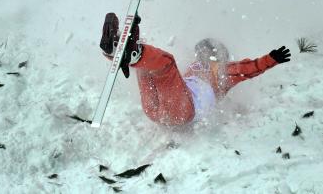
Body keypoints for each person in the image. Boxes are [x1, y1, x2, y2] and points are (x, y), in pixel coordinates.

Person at [100, 13, 291, 126]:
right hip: (158, 110)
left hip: (183, 111)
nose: (202, 56)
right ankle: (116, 49)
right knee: (148, 67)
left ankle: (133, 53)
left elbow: (247, 69)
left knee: (166, 64)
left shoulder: (222, 71)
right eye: (201, 52)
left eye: (207, 52)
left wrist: (270, 60)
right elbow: (172, 85)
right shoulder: (193, 66)